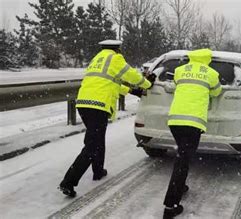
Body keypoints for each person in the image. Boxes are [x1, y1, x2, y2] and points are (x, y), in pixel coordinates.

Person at [58, 40, 156, 197]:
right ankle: (68, 182)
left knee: (97, 139)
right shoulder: (115, 58)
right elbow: (131, 74)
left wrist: (132, 91)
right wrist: (147, 85)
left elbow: (111, 83)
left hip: (84, 104)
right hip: (98, 105)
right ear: (117, 49)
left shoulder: (97, 60)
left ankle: (98, 171)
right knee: (91, 146)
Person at [162, 49, 222, 218]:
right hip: (193, 123)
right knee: (183, 160)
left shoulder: (180, 70)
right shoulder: (211, 73)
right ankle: (170, 205)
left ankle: (180, 186)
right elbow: (217, 92)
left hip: (175, 121)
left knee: (182, 155)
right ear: (207, 59)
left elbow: (176, 85)